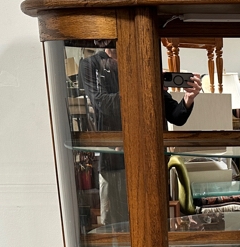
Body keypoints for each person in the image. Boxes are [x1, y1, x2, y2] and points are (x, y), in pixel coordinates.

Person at [78, 40, 202, 226]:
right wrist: (145, 87)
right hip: (114, 158)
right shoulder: (91, 64)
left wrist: (188, 99)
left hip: (149, 159)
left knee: (152, 220)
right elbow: (102, 103)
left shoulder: (142, 65)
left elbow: (176, 116)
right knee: (117, 223)